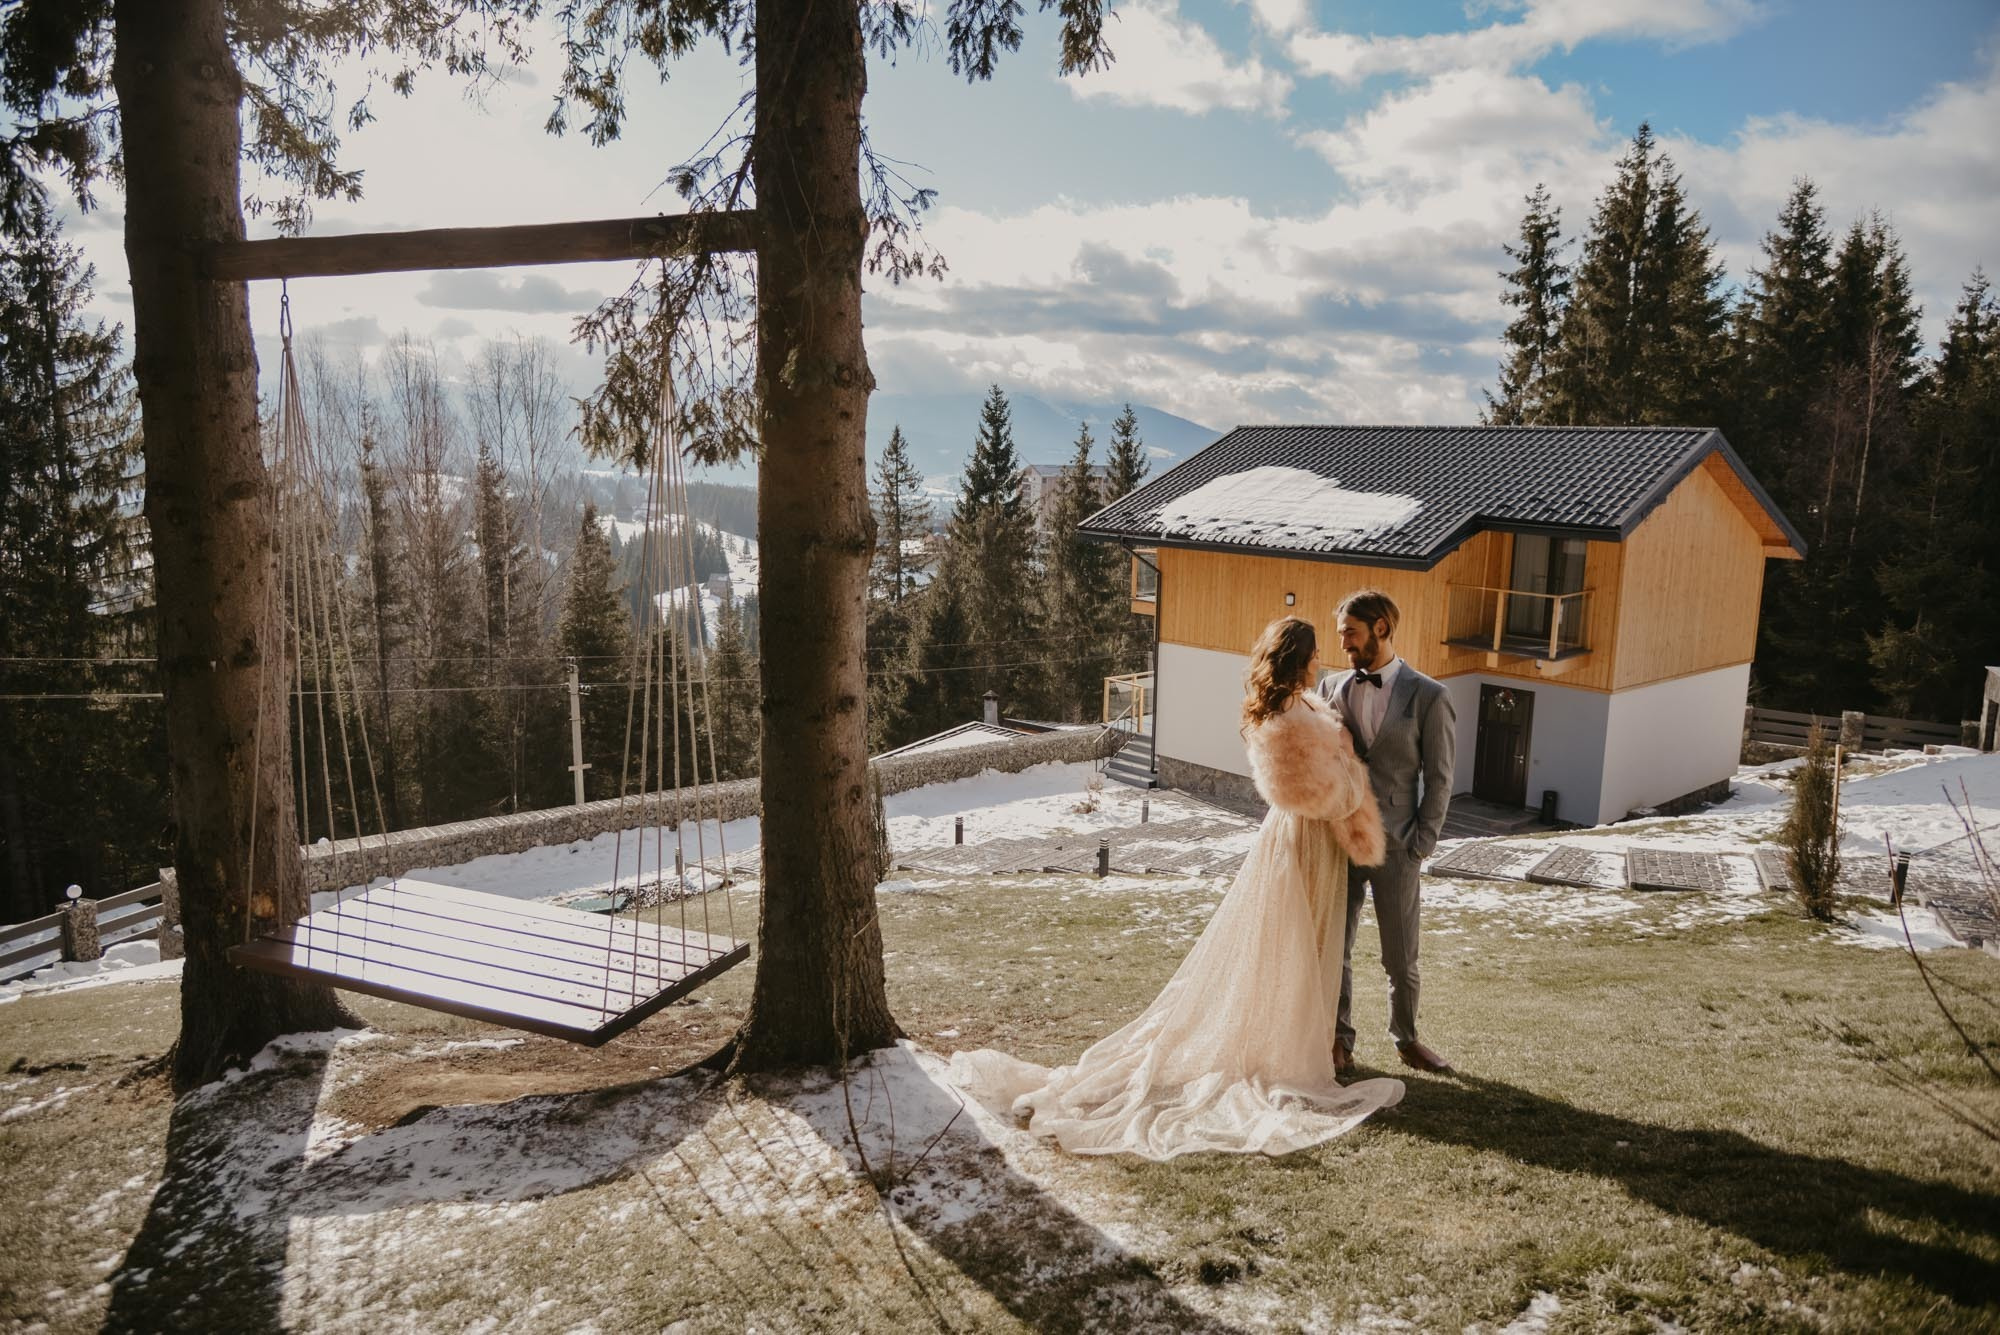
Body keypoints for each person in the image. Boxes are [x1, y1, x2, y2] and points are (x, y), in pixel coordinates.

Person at [950, 616, 1405, 1160]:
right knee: (1293, 945)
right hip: (1301, 845)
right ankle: (1287, 1051)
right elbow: (1319, 798)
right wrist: (1352, 772)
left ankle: (1304, 1041)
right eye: (1313, 654)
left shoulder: (1305, 707)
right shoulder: (1284, 717)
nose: (1320, 663)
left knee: (1312, 945)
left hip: (1314, 847)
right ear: (1297, 659)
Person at [1319, 589, 1457, 1075]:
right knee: (1336, 948)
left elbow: (1440, 778)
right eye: (1341, 637)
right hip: (1340, 844)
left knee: (1401, 959)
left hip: (1399, 846)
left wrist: (1423, 843)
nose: (1345, 646)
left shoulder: (1430, 696)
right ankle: (1339, 1041)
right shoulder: (1330, 688)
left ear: (1381, 628)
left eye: (1351, 634)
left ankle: (1408, 1039)